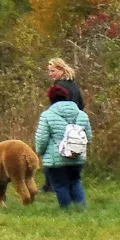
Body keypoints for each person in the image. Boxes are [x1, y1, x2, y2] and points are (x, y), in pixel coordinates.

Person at [35, 84, 93, 209]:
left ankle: (67, 211)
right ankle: (81, 209)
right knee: (75, 181)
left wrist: (39, 152)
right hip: (77, 157)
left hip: (56, 159)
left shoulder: (47, 115)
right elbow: (88, 137)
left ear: (50, 99)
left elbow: (41, 139)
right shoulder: (81, 114)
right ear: (66, 96)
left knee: (60, 185)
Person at [42, 58, 85, 192]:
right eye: (49, 71)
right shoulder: (74, 85)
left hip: (60, 125)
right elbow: (82, 105)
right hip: (75, 126)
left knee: (52, 154)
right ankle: (69, 183)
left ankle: (51, 185)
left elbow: (55, 107)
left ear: (61, 70)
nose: (50, 74)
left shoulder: (59, 87)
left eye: (53, 71)